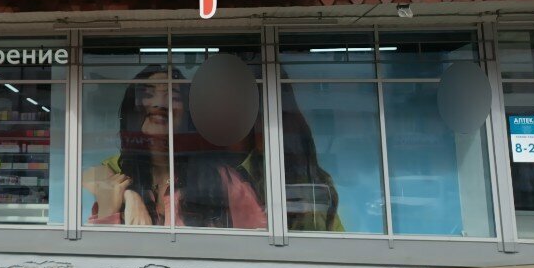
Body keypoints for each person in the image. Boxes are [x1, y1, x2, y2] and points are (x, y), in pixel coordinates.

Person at [83, 64, 342, 230]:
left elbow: (256, 243)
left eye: (172, 95)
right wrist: (129, 196)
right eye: (147, 94)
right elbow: (89, 178)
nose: (158, 104)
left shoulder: (224, 179)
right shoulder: (119, 175)